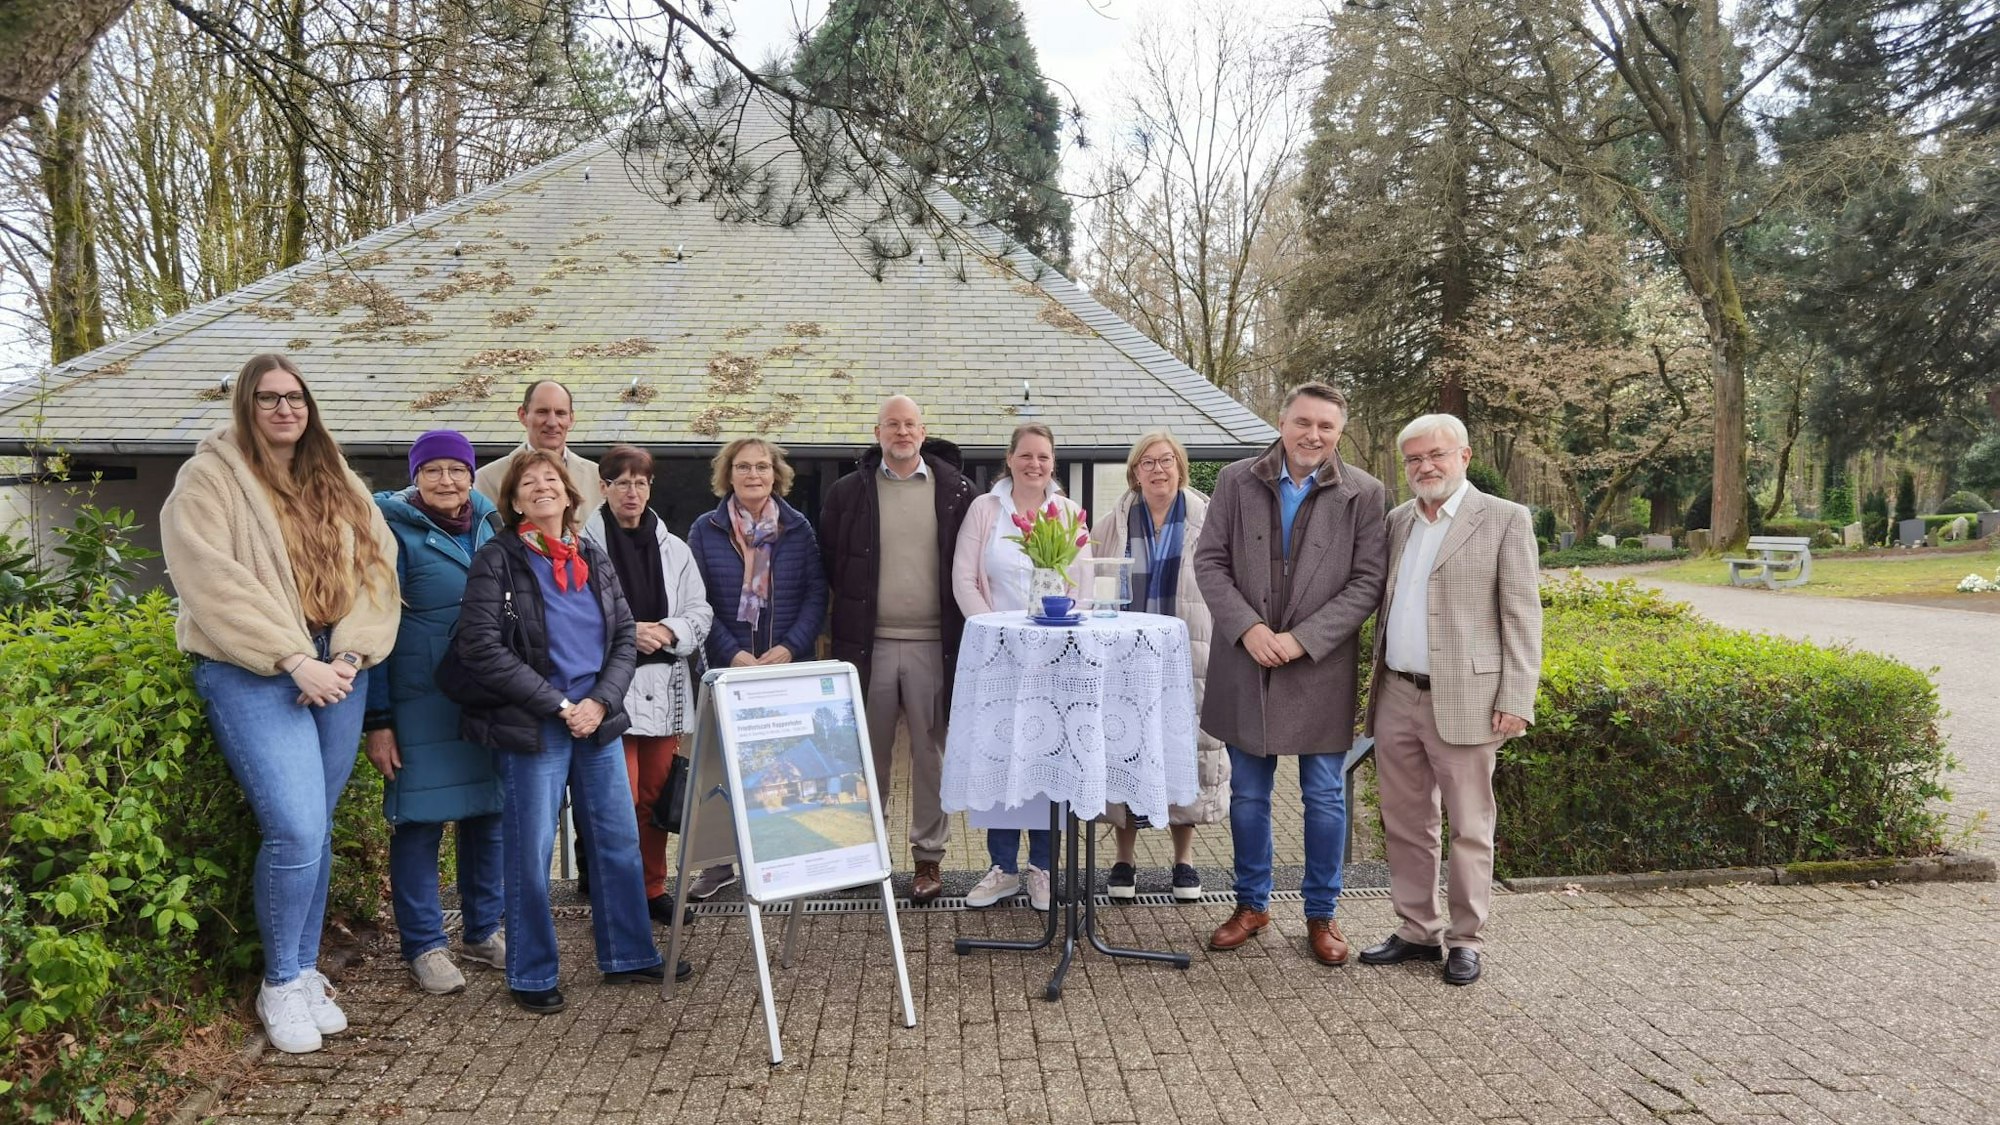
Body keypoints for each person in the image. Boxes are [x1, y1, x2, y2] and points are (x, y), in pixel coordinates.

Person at [159, 353, 400, 1054]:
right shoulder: (207, 477)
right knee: (295, 826)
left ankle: (302, 971)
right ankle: (280, 979)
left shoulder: (337, 477)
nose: (284, 409)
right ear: (245, 404)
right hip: (249, 665)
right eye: (268, 398)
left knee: (316, 828)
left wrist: (348, 654)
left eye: (294, 397)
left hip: (338, 665)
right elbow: (208, 576)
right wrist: (293, 658)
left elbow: (377, 569)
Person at [453, 450, 673, 1014]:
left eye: (552, 478)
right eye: (529, 482)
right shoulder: (496, 560)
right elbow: (481, 648)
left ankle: (629, 954)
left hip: (596, 722)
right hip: (537, 725)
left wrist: (600, 702)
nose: (542, 487)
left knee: (618, 841)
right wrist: (558, 704)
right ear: (515, 500)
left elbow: (624, 635)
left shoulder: (590, 553)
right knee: (530, 853)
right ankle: (530, 973)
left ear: (571, 495)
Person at [1194, 382, 1387, 966]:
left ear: (1338, 433)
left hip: (1319, 666)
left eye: (1326, 427)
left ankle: (1322, 915)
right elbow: (1210, 561)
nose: (1313, 435)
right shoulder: (1235, 480)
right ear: (1282, 423)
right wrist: (1248, 628)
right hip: (1245, 659)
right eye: (1303, 422)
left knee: (1324, 796)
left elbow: (1367, 582)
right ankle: (1252, 905)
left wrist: (1303, 640)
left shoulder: (1365, 493)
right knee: (1248, 794)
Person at [1359, 414, 1541, 987]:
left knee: (1469, 826)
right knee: (1406, 822)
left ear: (1463, 455)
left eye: (1435, 455)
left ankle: (1465, 939)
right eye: (1413, 459)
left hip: (1468, 699)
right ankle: (1417, 929)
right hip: (1397, 694)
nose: (1424, 467)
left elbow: (1521, 615)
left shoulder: (1505, 519)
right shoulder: (1397, 522)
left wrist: (1517, 696)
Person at [361, 431, 508, 996]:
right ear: (415, 476)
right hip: (418, 702)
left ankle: (482, 931)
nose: (447, 480)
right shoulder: (390, 531)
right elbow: (371, 629)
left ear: (472, 475)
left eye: (457, 469)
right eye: (434, 470)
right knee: (419, 824)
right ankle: (424, 944)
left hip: (485, 697)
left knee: (486, 817)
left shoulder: (492, 523)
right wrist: (379, 722)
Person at [819, 396, 977, 905]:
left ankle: (928, 858)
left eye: (910, 424)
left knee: (932, 755)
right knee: (868, 754)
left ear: (923, 431)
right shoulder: (848, 493)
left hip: (936, 643)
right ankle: (867, 854)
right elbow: (830, 564)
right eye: (892, 424)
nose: (902, 432)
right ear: (877, 432)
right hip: (870, 646)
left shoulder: (956, 491)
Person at [951, 422, 1091, 912]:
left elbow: (1084, 586)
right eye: (1026, 455)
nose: (1035, 464)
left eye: (1044, 457)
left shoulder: (1069, 513)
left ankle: (1043, 869)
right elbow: (964, 579)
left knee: (1048, 761)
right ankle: (1003, 868)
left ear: (1053, 463)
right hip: (1000, 659)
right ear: (1009, 459)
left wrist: (1057, 641)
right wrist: (998, 634)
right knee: (1000, 761)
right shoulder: (986, 510)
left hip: (1056, 662)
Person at [685, 436, 828, 900]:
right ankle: (718, 864)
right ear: (728, 475)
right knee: (723, 769)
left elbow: (815, 595)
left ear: (776, 474)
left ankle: (782, 859)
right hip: (731, 671)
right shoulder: (704, 530)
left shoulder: (798, 528)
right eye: (743, 467)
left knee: (782, 767)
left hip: (784, 668)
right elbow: (696, 600)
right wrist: (732, 653)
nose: (753, 476)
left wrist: (790, 647)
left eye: (762, 467)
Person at [1090, 431, 1228, 903]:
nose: (1157, 470)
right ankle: (1123, 859)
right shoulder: (1114, 522)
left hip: (1190, 651)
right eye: (1147, 462)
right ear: (1134, 472)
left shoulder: (1208, 516)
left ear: (1180, 466)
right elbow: (1094, 583)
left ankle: (1183, 861)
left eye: (1166, 461)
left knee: (1184, 748)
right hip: (1127, 659)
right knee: (1127, 749)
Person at [581, 444, 714, 923]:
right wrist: (628, 631)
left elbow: (701, 611)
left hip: (666, 690)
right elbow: (570, 617)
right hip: (609, 691)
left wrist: (668, 631)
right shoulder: (581, 544)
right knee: (617, 801)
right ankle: (614, 895)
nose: (631, 492)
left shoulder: (675, 549)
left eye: (640, 482)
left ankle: (653, 887)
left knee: (655, 800)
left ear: (650, 487)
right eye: (621, 482)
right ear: (604, 488)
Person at [473, 379, 602, 517]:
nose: (552, 422)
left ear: (571, 419)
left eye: (560, 413)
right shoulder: (486, 480)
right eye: (542, 412)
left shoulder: (597, 477)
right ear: (523, 415)